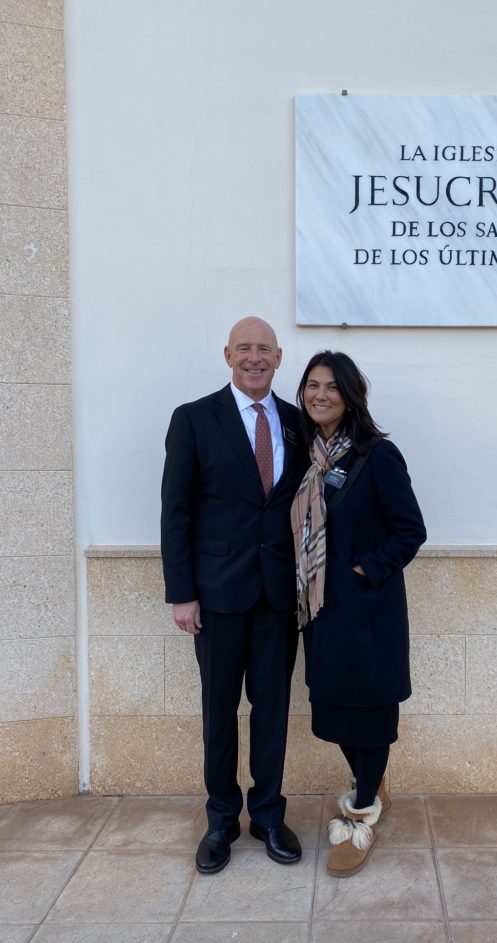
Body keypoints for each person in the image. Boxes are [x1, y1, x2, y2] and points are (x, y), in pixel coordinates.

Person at [161, 316, 306, 874]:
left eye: (263, 349)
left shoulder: (296, 423)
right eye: (244, 348)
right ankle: (221, 818)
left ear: (278, 356)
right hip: (217, 597)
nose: (254, 357)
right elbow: (176, 512)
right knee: (219, 710)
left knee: (272, 709)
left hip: (278, 596)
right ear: (227, 355)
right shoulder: (194, 419)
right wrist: (182, 593)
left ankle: (267, 814)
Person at [291, 351, 426, 877]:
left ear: (350, 396)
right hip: (322, 612)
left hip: (368, 613)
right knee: (337, 710)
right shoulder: (306, 457)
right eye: (312, 385)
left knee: (370, 713)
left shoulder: (376, 455)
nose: (320, 395)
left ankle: (362, 809)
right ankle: (373, 783)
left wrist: (364, 571)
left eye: (332, 387)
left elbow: (410, 530)